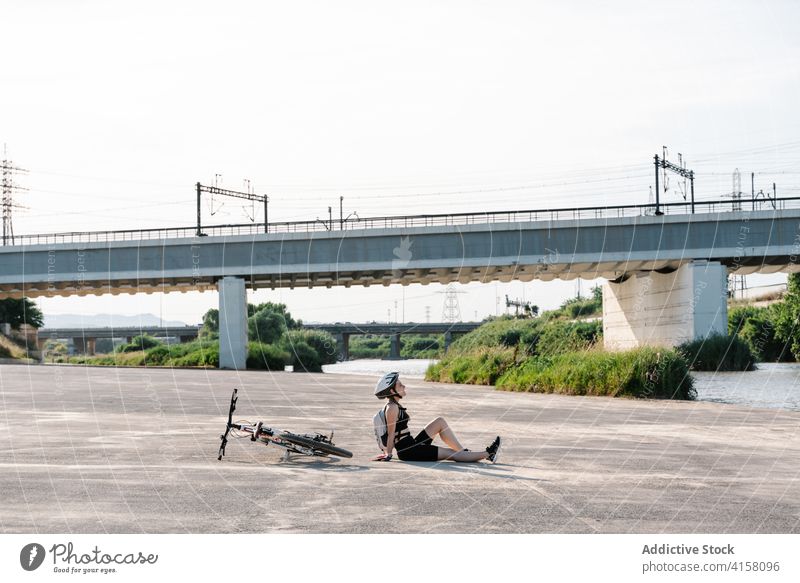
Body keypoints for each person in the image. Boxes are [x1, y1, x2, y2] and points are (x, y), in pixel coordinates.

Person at [372, 371, 501, 463]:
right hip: (409, 452)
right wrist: (388, 454)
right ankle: (488, 454)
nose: (404, 386)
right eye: (400, 385)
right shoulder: (392, 408)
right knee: (452, 454)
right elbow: (390, 434)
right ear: (391, 391)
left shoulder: (394, 405)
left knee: (439, 422)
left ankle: (465, 453)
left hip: (412, 445)